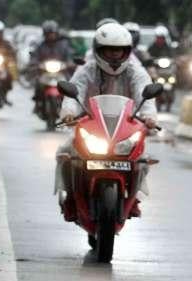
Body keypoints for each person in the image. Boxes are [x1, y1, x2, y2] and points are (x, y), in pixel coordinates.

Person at [56, 23, 158, 220]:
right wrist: (68, 113)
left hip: (124, 130)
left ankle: (133, 198)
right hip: (90, 126)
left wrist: (149, 117)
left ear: (127, 51)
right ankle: (70, 198)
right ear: (98, 50)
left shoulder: (136, 72)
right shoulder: (87, 70)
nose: (114, 55)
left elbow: (145, 96)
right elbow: (74, 93)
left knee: (143, 159)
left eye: (118, 50)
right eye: (109, 50)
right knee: (64, 153)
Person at [30, 20, 73, 105]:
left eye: (52, 33)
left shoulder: (64, 45)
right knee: (37, 82)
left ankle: (70, 103)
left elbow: (69, 56)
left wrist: (70, 63)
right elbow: (34, 57)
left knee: (71, 84)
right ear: (44, 34)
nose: (50, 36)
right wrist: (35, 63)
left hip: (61, 72)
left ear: (56, 33)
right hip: (45, 72)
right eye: (48, 34)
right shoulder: (40, 45)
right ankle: (38, 100)